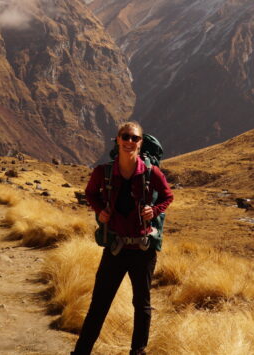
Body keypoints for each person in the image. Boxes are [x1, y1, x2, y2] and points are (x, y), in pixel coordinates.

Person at [72, 121, 173, 355]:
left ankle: (138, 352)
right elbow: (90, 193)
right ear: (117, 140)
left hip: (143, 249)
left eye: (134, 138)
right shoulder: (103, 172)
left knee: (142, 305)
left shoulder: (151, 173)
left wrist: (154, 211)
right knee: (99, 304)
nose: (129, 141)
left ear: (140, 143)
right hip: (115, 247)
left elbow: (167, 196)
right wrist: (100, 210)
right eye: (125, 136)